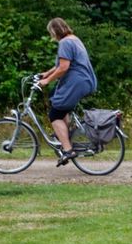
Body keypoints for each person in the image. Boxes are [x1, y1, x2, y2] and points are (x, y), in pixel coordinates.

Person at [37, 18, 97, 165]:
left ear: (54, 31)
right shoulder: (74, 39)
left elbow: (64, 67)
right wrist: (47, 73)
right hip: (84, 81)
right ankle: (65, 138)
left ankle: (68, 150)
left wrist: (47, 81)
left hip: (77, 82)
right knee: (61, 107)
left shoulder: (65, 43)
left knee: (54, 115)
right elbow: (60, 65)